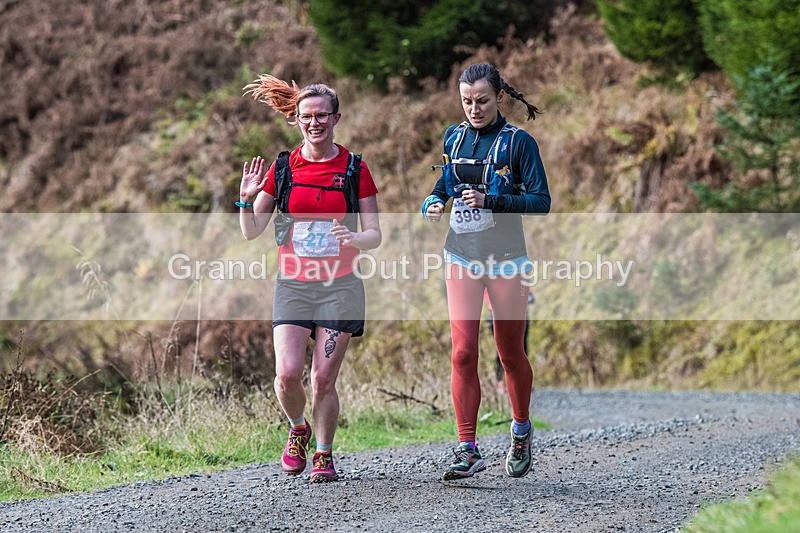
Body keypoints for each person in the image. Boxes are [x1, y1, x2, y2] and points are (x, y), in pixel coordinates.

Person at [239, 75, 381, 482]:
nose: (314, 123)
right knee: (286, 375)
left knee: (322, 379)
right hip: (294, 285)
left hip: (340, 286)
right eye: (307, 116)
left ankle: (323, 453)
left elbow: (374, 234)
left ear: (336, 118)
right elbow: (252, 231)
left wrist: (355, 238)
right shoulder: (283, 168)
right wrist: (245, 201)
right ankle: (298, 428)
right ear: (296, 120)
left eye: (321, 115)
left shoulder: (354, 169)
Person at [422, 63, 550, 480]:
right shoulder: (454, 136)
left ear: (499, 97)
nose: (473, 109)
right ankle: (467, 448)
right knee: (462, 352)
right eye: (466, 101)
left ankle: (521, 429)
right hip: (461, 256)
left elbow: (541, 201)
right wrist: (433, 202)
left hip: (507, 260)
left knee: (509, 353)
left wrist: (492, 201)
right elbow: (444, 184)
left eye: (481, 101)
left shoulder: (519, 143)